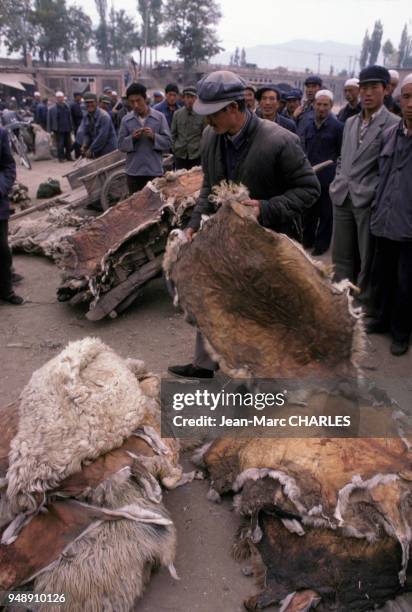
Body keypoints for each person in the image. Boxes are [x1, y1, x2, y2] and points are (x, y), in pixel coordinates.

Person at [168, 70, 320, 379]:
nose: (206, 121)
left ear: (234, 109)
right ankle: (204, 364)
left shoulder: (280, 140)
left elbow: (310, 190)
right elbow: (209, 188)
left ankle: (262, 377)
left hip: (269, 241)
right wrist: (193, 226)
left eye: (212, 114)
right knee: (211, 296)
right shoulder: (211, 136)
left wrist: (265, 208)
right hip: (226, 238)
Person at [329, 65, 399, 309]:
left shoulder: (393, 124)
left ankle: (364, 304)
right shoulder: (350, 122)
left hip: (367, 199)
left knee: (367, 257)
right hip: (342, 195)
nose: (367, 94)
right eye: (364, 88)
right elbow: (342, 157)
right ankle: (340, 301)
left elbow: (389, 168)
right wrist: (338, 180)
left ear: (386, 90)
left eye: (374, 88)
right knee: (340, 255)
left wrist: (374, 192)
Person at [367, 74, 412, 356]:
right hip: (384, 219)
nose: (410, 104)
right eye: (406, 97)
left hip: (409, 225)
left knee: (407, 284)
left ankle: (401, 332)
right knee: (383, 276)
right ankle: (382, 320)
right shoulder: (389, 135)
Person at [302, 89, 344, 255]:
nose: (321, 108)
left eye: (325, 105)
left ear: (331, 106)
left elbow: (341, 153)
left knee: (326, 214)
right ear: (313, 105)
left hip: (329, 178)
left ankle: (321, 245)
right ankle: (307, 241)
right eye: (318, 104)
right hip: (310, 176)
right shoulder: (308, 125)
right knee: (309, 211)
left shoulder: (338, 127)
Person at [118, 82, 172, 195]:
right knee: (136, 208)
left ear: (145, 99)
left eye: (138, 100)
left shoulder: (159, 117)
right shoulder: (126, 120)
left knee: (155, 207)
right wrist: (132, 138)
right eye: (132, 102)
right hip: (133, 173)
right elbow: (121, 145)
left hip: (154, 171)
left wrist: (154, 137)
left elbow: (168, 143)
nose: (136, 105)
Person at [0, 126, 23, 305]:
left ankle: (6, 291)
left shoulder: (1, 133)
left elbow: (8, 165)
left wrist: (2, 187)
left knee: (2, 250)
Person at [171, 86, 205, 170]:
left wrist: (201, 149)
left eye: (193, 97)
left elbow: (205, 135)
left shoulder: (202, 115)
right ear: (183, 98)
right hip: (180, 154)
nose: (190, 100)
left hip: (196, 155)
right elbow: (173, 134)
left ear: (197, 99)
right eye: (187, 97)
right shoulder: (177, 114)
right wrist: (175, 148)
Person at [76, 92, 117, 159]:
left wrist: (91, 149)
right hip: (98, 149)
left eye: (91, 102)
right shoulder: (86, 116)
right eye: (87, 102)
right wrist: (84, 144)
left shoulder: (104, 116)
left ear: (97, 102)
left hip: (109, 149)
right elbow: (87, 133)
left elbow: (102, 137)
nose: (89, 104)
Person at [294, 75, 323, 141]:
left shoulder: (323, 110)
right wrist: (294, 118)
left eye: (313, 87)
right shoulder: (303, 108)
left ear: (320, 89)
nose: (310, 90)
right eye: (308, 87)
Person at [47, 91, 72, 162]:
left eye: (61, 97)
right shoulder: (52, 109)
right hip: (58, 129)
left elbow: (70, 118)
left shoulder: (67, 106)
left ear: (63, 97)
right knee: (60, 144)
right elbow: (49, 120)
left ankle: (68, 156)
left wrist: (71, 127)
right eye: (58, 98)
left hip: (67, 128)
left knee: (68, 144)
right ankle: (61, 158)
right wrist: (49, 131)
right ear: (56, 98)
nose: (60, 99)